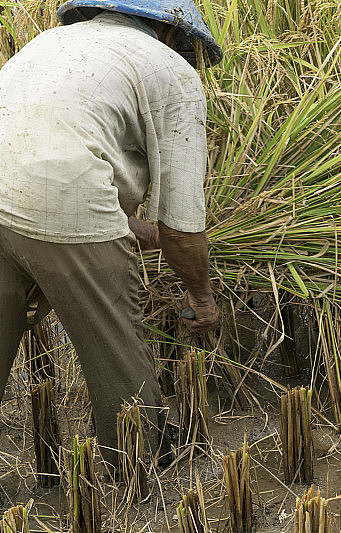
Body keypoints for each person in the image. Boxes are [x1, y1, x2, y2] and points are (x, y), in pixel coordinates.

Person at [0, 0, 223, 469]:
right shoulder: (173, 73)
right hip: (61, 214)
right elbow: (183, 230)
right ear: (170, 34)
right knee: (116, 354)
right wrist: (201, 297)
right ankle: (138, 469)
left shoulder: (46, 44)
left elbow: (37, 158)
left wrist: (131, 228)